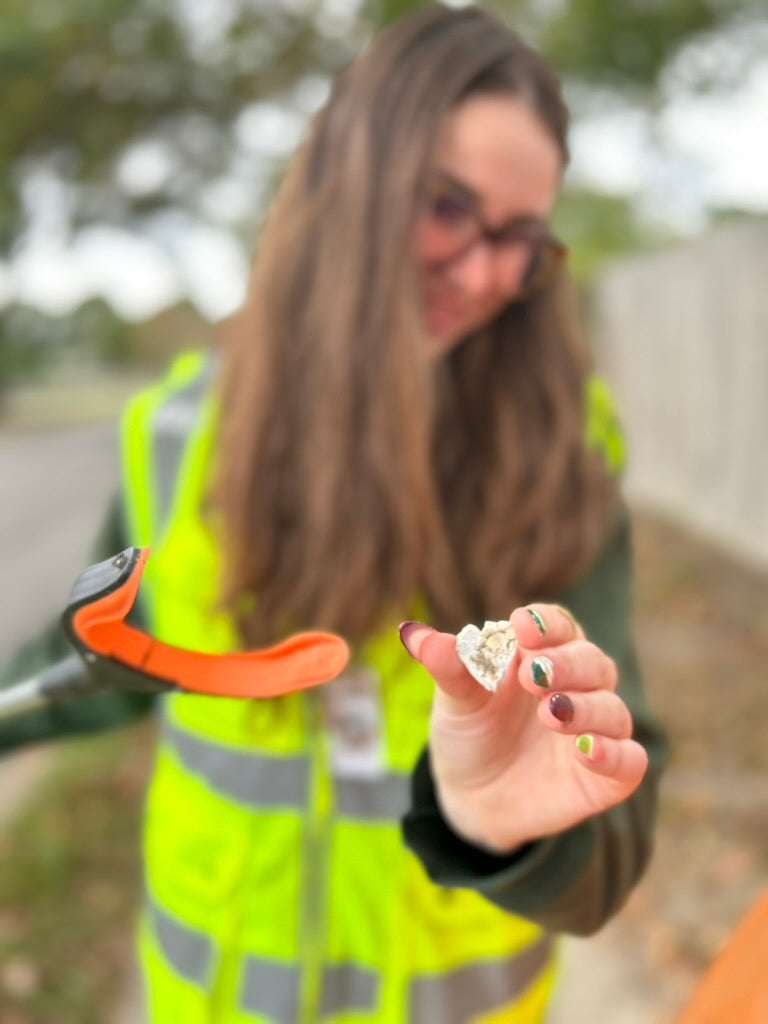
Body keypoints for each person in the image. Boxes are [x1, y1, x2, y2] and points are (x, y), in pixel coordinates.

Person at [0, 4, 667, 1022]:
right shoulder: (174, 434)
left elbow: (617, 824)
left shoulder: (562, 455)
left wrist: (511, 834)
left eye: (521, 241)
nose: (483, 274)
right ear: (346, 182)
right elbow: (107, 659)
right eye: (446, 205)